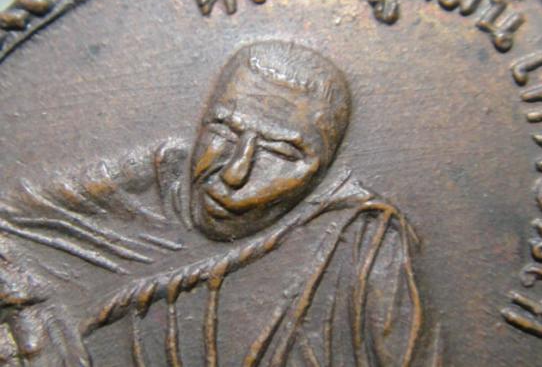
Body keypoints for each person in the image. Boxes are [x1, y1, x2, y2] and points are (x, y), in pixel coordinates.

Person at [0, 41, 427, 366]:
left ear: (323, 173)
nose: (235, 172)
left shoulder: (360, 243)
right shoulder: (147, 182)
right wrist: (26, 305)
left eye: (280, 153)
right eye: (223, 130)